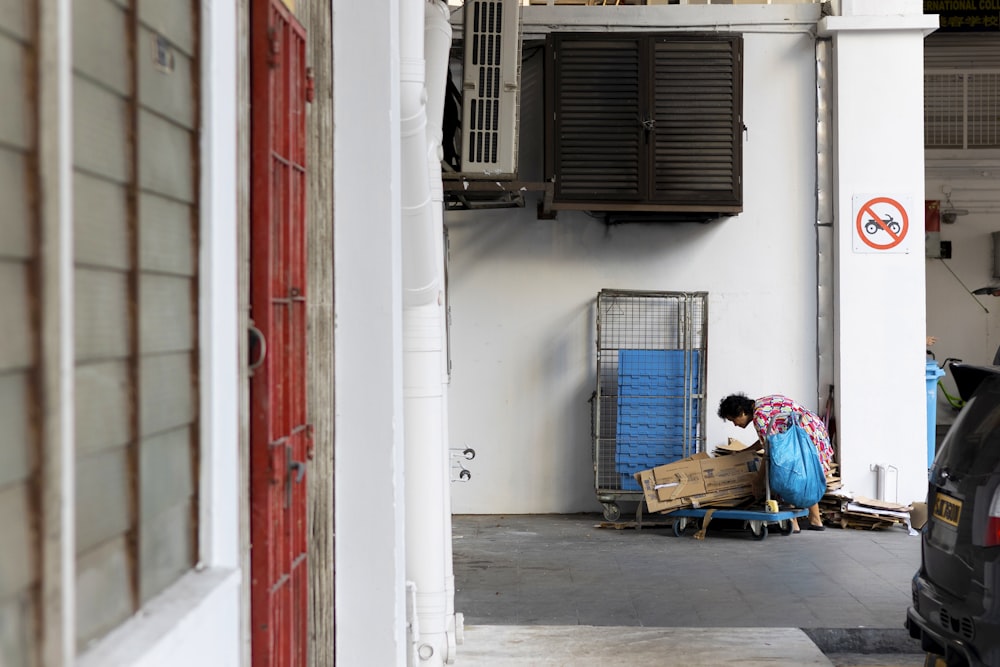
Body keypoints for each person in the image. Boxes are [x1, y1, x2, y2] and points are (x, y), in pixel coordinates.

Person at [717, 393, 834, 533]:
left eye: (733, 420)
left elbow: (769, 453)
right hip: (812, 432)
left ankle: (793, 523)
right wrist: (747, 450)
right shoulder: (763, 404)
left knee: (783, 475)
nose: (735, 425)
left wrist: (758, 480)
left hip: (802, 438)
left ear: (741, 412)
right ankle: (815, 520)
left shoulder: (759, 418)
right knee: (807, 478)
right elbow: (769, 439)